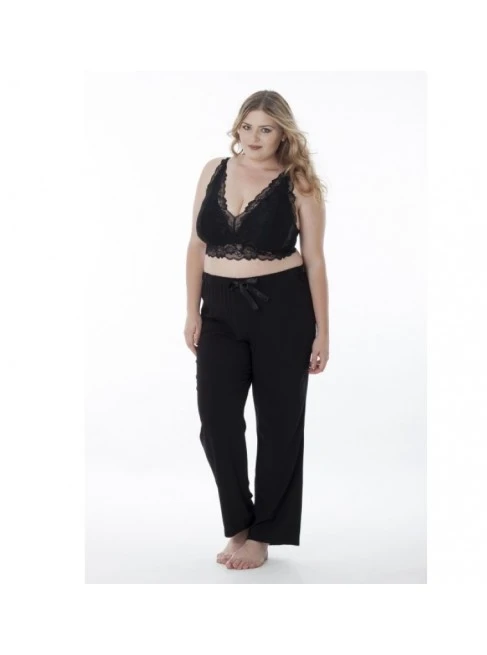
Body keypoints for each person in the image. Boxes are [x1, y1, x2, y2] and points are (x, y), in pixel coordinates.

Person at [184, 90, 329, 570]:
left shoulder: (299, 182)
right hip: (219, 309)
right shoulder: (214, 169)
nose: (253, 137)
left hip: (283, 310)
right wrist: (192, 311)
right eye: (247, 126)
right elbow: (196, 246)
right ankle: (239, 523)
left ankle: (265, 534)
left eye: (265, 129)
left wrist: (323, 332)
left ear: (283, 133)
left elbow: (315, 261)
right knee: (216, 422)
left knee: (279, 424)